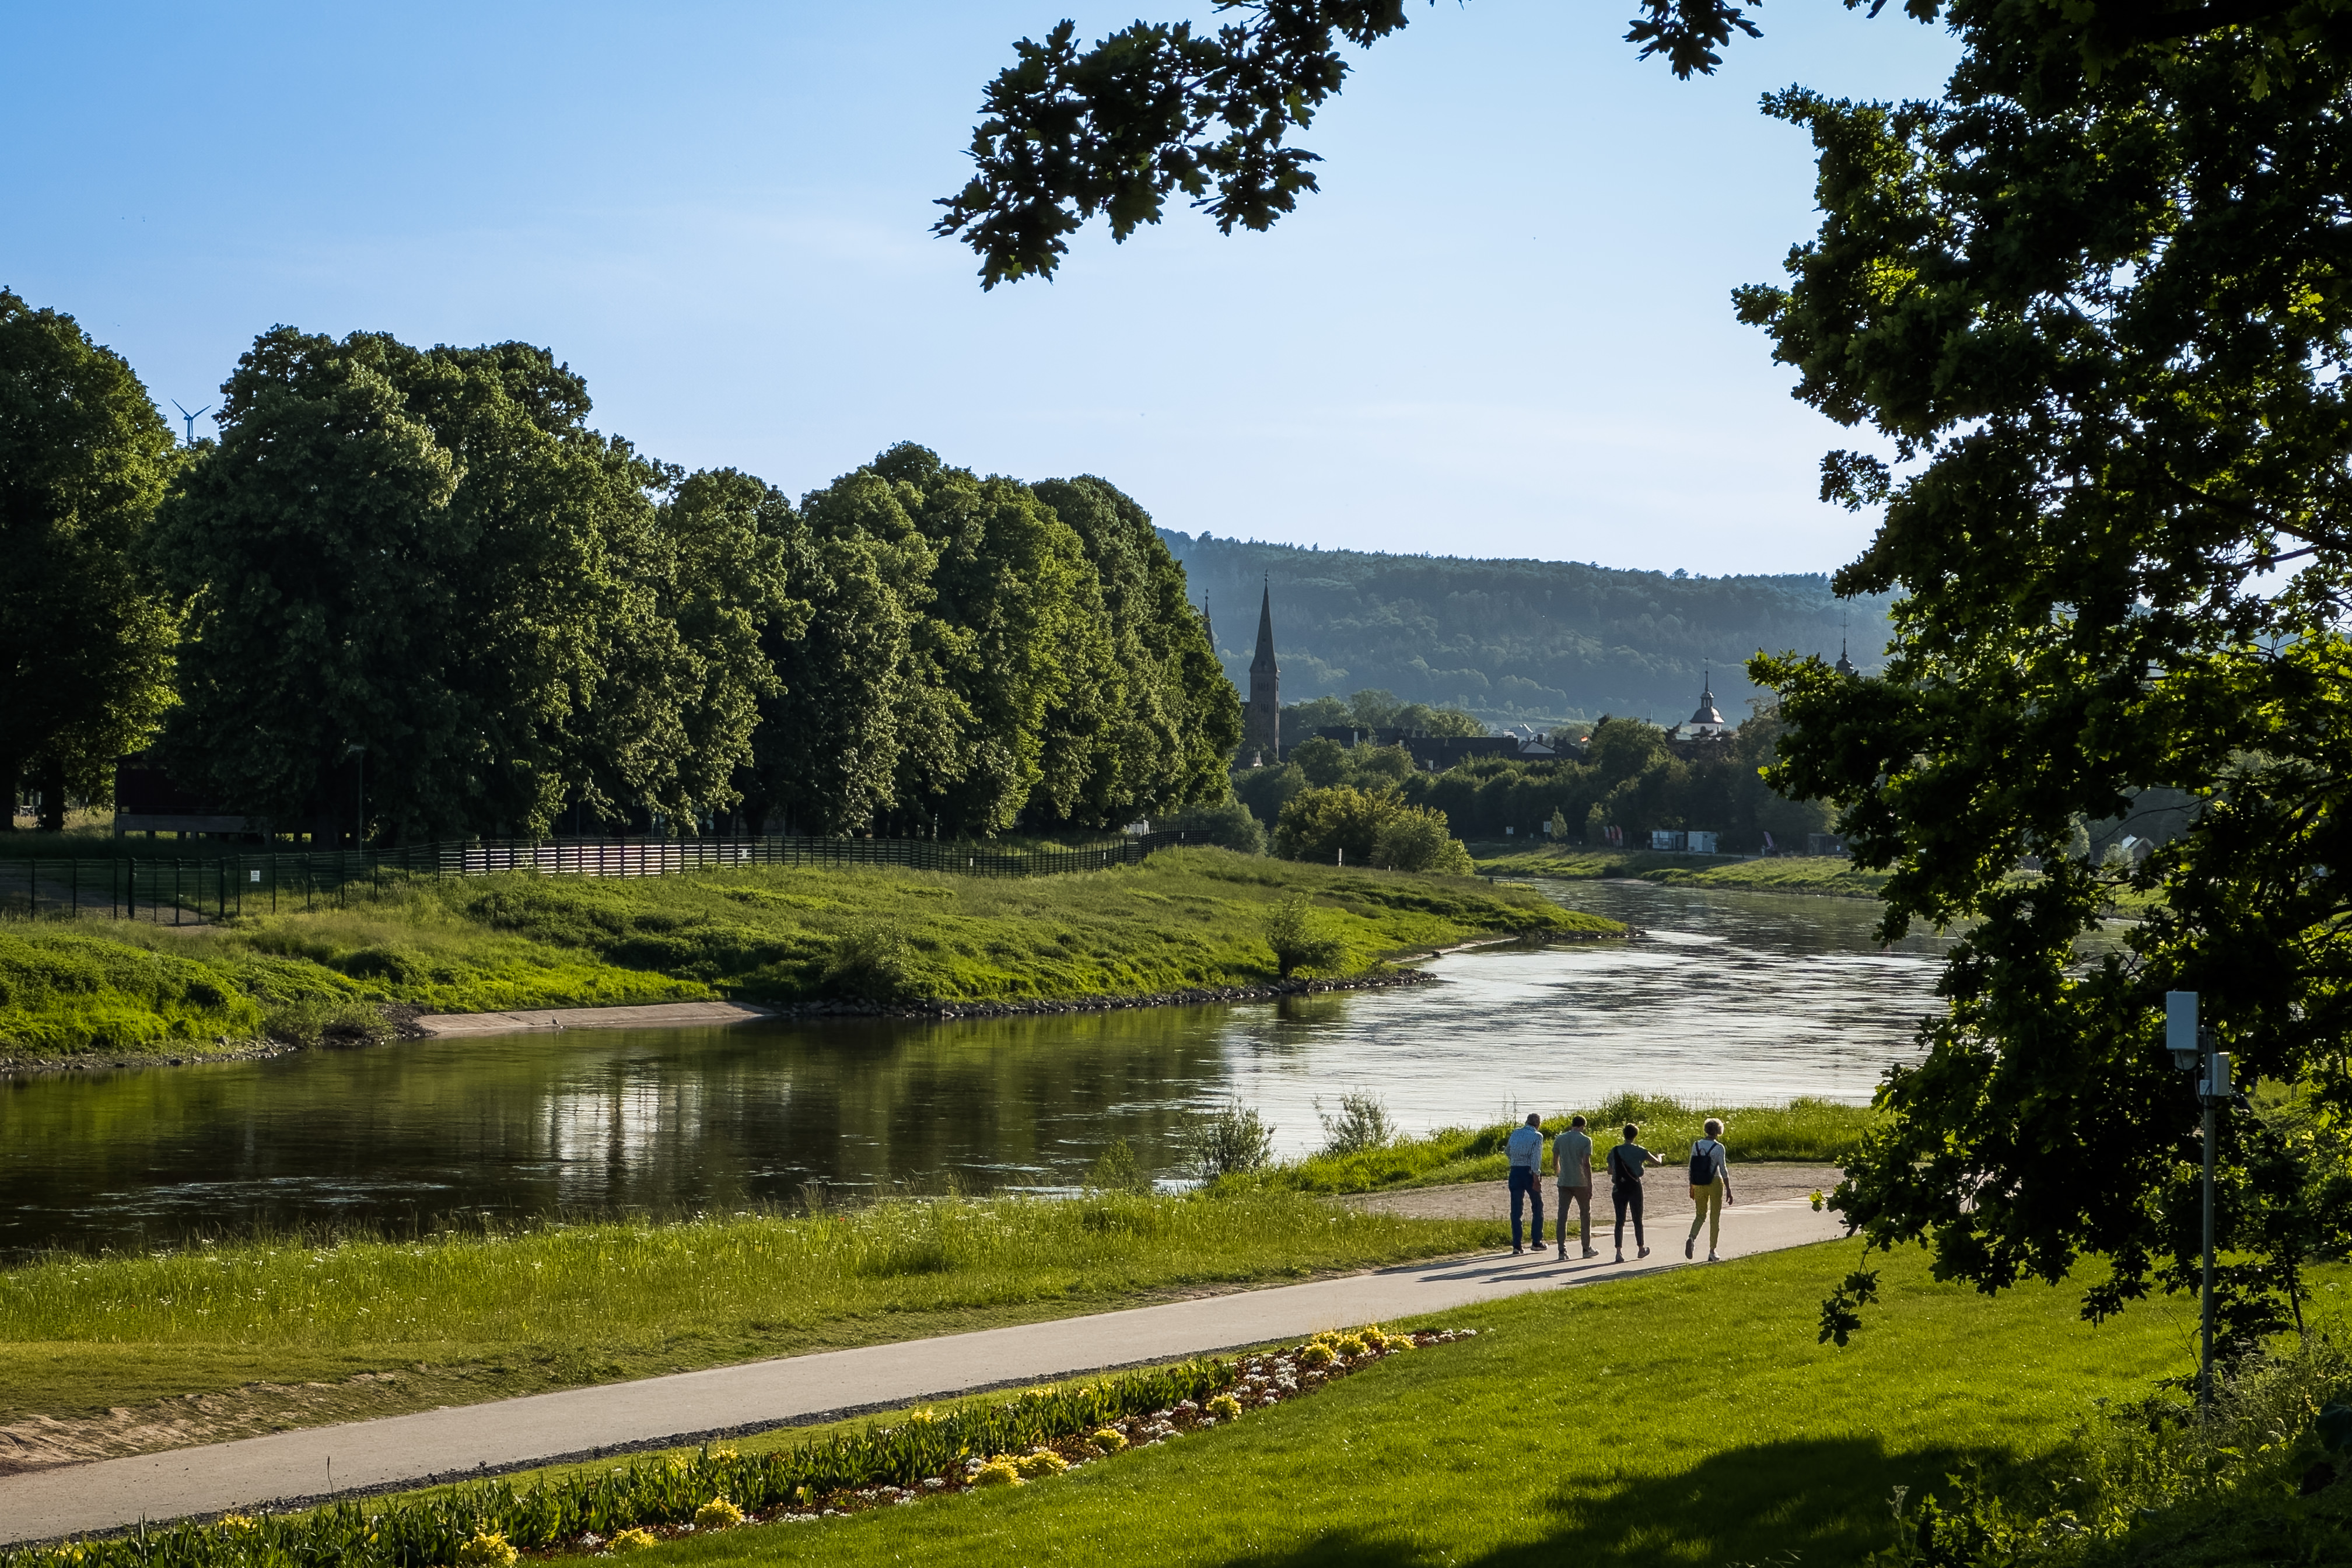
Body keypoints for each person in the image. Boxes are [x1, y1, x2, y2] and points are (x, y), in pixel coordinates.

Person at [1606, 1122, 1664, 1264]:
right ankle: (1641, 1248)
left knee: (1620, 1220)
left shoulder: (1615, 1150)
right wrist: (1660, 1156)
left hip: (1619, 1187)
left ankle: (1618, 1252)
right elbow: (1658, 1163)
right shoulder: (1640, 1150)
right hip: (1634, 1186)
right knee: (1637, 1219)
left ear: (1624, 1134)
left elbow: (1610, 1170)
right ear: (1635, 1136)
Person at [1686, 1116, 1735, 1261]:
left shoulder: (1696, 1145)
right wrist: (1728, 1189)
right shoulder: (1719, 1148)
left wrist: (1692, 1185)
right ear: (1718, 1131)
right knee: (1715, 1217)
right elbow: (1723, 1169)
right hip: (1715, 1183)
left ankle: (1692, 1237)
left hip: (1699, 1183)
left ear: (1706, 1130)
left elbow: (1691, 1167)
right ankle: (1712, 1251)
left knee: (1700, 1215)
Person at [1553, 1114, 1596, 1260]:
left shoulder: (1560, 1139)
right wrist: (1590, 1183)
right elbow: (1586, 1163)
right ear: (1583, 1126)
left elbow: (1555, 1160)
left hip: (1564, 1181)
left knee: (1562, 1215)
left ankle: (1562, 1250)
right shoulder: (1586, 1140)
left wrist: (1559, 1173)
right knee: (1585, 1214)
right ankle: (1586, 1248)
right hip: (1580, 1182)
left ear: (1572, 1124)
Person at [1505, 1112, 1545, 1255]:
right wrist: (1536, 1177)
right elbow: (1536, 1158)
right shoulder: (1537, 1136)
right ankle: (1536, 1241)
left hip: (1515, 1171)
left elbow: (1507, 1151)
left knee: (1516, 1209)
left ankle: (1517, 1245)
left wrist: (1515, 1161)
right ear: (1538, 1124)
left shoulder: (1516, 1133)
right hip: (1528, 1172)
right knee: (1537, 1205)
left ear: (1527, 1122)